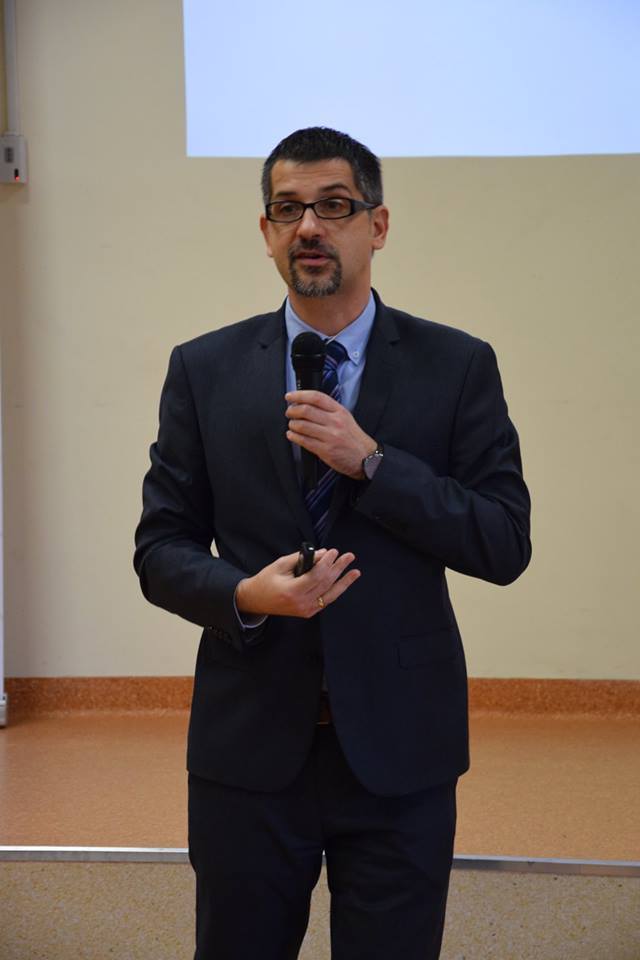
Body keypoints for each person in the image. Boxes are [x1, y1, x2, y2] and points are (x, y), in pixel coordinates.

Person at [134, 126, 531, 960]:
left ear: (376, 226)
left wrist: (374, 465)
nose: (309, 226)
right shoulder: (204, 369)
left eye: (334, 206)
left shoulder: (457, 365)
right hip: (248, 746)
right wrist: (244, 594)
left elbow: (502, 541)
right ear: (267, 231)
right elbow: (161, 548)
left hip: (400, 747)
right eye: (288, 209)